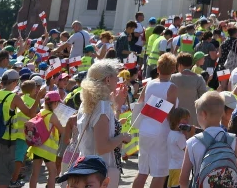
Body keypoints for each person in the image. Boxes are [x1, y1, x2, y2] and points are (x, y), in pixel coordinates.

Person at [0, 69, 43, 188]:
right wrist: (38, 98)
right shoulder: (14, 97)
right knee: (4, 177)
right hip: (6, 140)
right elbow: (30, 113)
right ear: (14, 82)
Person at [74, 60, 132, 188]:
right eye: (116, 77)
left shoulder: (87, 103)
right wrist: (122, 137)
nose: (118, 81)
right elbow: (103, 147)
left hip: (87, 167)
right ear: (107, 80)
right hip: (98, 173)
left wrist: (117, 106)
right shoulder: (103, 107)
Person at [133, 52, 179, 188]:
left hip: (145, 129)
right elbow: (170, 113)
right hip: (161, 131)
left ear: (158, 69)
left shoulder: (149, 84)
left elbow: (140, 103)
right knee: (160, 173)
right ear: (173, 69)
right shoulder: (172, 87)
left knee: (142, 171)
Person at [177, 91, 237, 188]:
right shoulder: (233, 140)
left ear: (204, 114)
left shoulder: (192, 142)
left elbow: (183, 180)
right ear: (222, 113)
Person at [28, 91, 66, 188]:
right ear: (55, 103)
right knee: (52, 173)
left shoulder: (41, 112)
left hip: (37, 146)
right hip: (48, 149)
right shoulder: (52, 116)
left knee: (35, 174)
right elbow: (62, 130)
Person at [166, 107, 192, 188]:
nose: (187, 122)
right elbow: (188, 150)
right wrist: (191, 135)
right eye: (184, 119)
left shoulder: (171, 133)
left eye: (188, 119)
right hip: (179, 168)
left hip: (172, 166)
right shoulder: (179, 136)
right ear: (176, 120)